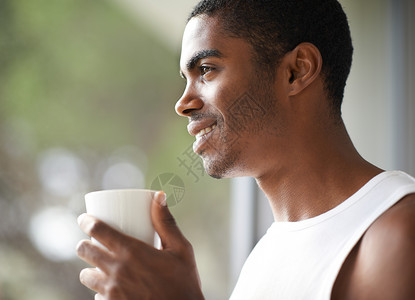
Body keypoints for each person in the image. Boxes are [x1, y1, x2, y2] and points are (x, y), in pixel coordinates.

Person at [76, 0, 415, 299]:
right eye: (185, 78)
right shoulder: (263, 257)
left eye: (206, 70)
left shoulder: (398, 234)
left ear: (297, 70)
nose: (182, 103)